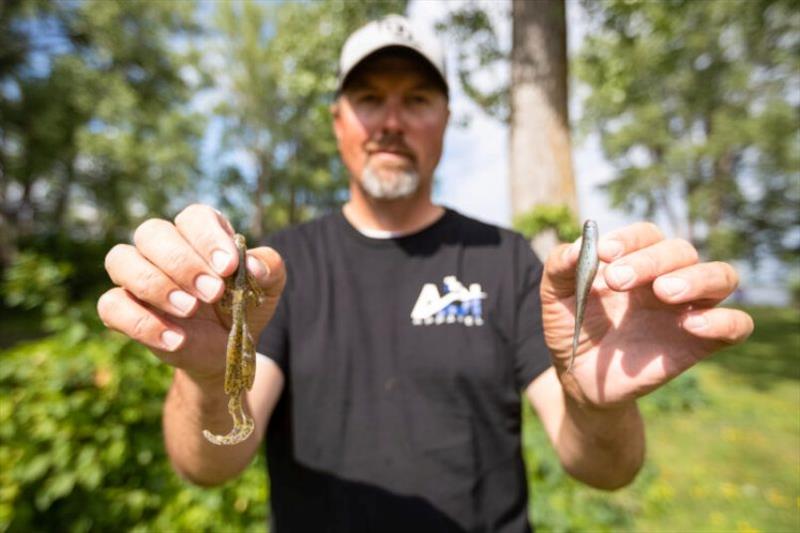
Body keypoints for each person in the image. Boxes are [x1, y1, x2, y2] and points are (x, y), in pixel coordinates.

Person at [97, 15, 754, 533]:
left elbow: (606, 470)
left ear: (444, 120)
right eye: (368, 98)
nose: (389, 121)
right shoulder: (278, 266)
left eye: (416, 98)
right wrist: (210, 377)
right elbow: (208, 463)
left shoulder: (506, 259)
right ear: (338, 122)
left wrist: (595, 400)